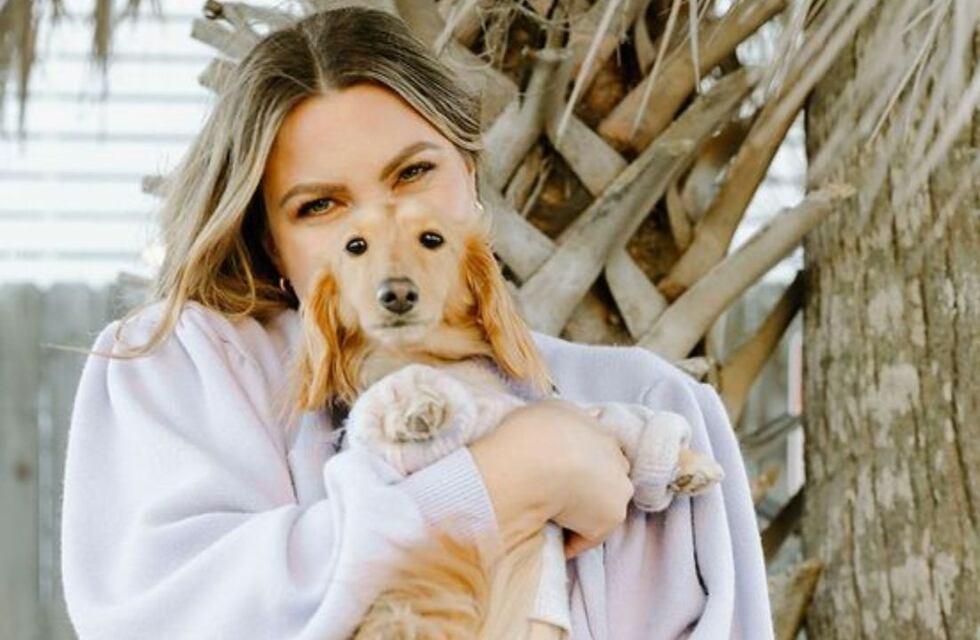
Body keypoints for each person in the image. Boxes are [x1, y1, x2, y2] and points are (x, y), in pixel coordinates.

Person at [60, 6, 773, 640]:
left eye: (411, 175)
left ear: (469, 173)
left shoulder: (652, 404)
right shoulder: (184, 365)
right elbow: (169, 617)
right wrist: (510, 478)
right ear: (270, 241)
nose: (385, 235)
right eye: (321, 206)